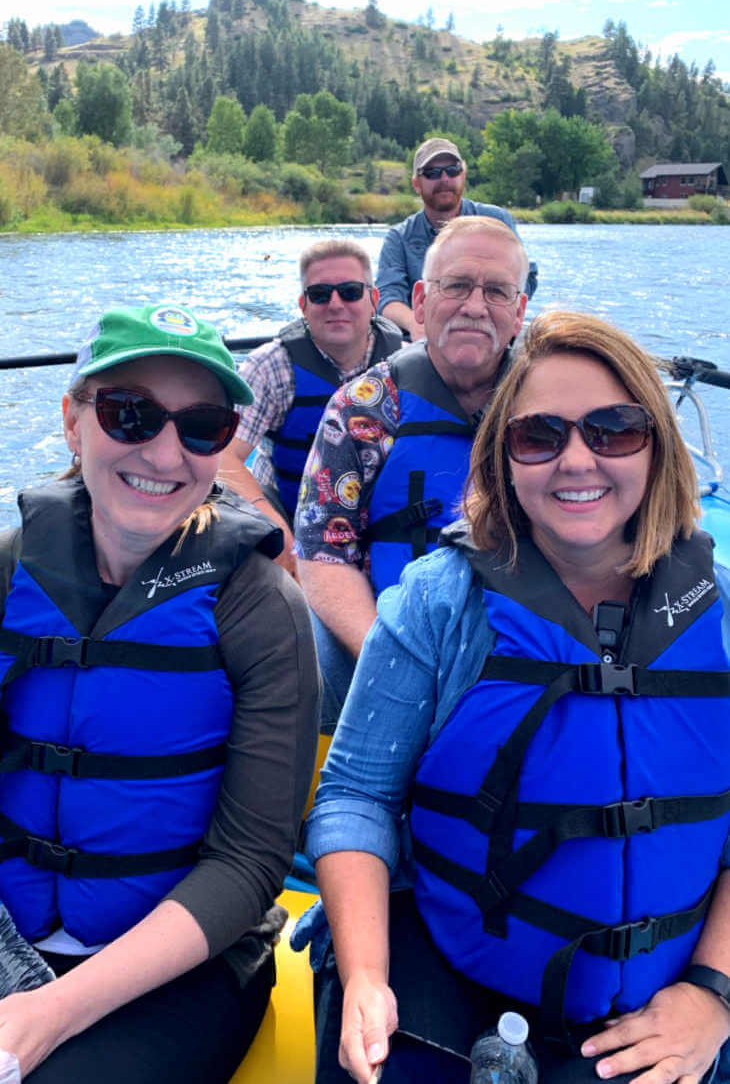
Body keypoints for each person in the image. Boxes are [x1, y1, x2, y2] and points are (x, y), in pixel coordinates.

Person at [297, 310, 730, 1084]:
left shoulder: (720, 614)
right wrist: (365, 973)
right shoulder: (438, 600)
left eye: (613, 429)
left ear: (657, 445)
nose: (576, 461)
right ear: (503, 457)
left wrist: (713, 994)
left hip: (666, 998)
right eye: (540, 436)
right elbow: (356, 794)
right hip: (452, 965)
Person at [0, 304, 319, 1082]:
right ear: (74, 420)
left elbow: (247, 865)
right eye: (130, 414)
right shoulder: (10, 569)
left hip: (186, 967)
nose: (164, 451)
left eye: (202, 425)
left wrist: (47, 1011)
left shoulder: (260, 609)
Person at [295, 215, 528, 730]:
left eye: (496, 291)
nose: (474, 306)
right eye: (458, 286)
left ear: (520, 311)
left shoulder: (551, 403)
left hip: (528, 638)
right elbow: (323, 552)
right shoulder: (365, 406)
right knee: (301, 651)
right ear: (420, 301)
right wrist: (390, 657)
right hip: (389, 630)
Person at [219, 239, 402, 573]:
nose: (335, 304)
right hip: (286, 514)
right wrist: (281, 537)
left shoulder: (405, 365)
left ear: (374, 299)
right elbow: (222, 456)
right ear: (303, 305)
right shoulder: (271, 366)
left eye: (350, 291)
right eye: (320, 294)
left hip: (378, 525)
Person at [375, 137, 538, 340]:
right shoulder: (398, 238)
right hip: (425, 342)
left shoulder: (497, 220)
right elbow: (387, 297)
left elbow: (526, 280)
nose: (444, 179)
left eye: (452, 170)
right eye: (432, 173)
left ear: (463, 175)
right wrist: (415, 324)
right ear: (416, 184)